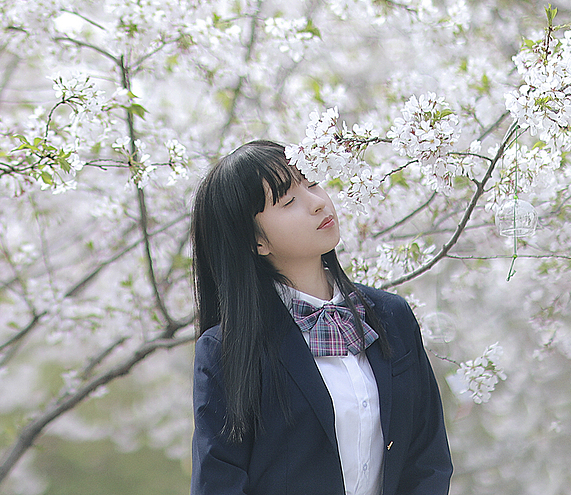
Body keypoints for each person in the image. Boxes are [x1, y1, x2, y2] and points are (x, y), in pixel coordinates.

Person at [190, 140, 451, 495]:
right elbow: (219, 482)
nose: (317, 203)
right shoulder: (228, 350)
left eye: (311, 183)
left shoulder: (392, 316)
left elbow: (427, 456)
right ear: (256, 243)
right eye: (288, 201)